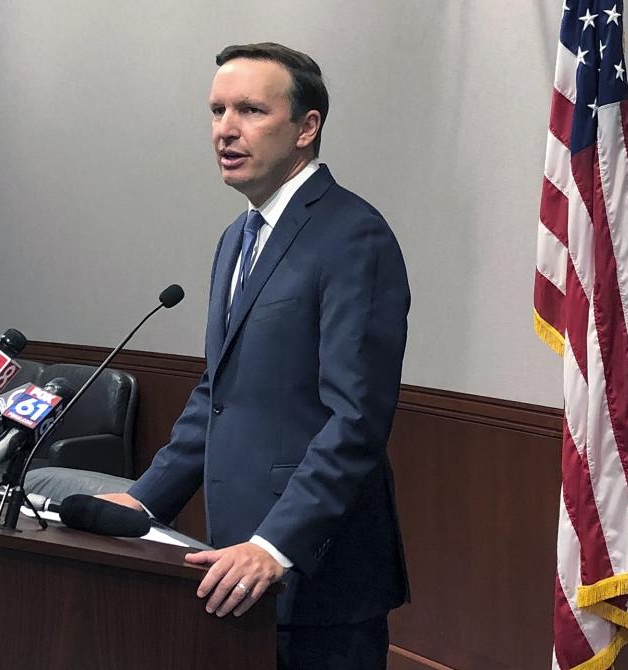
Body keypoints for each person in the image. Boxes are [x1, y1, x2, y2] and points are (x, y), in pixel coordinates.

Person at [99, 42, 410, 669]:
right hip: (232, 561)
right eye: (216, 111)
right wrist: (143, 499)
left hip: (315, 570)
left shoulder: (354, 236)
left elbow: (356, 420)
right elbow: (220, 393)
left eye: (250, 110)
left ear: (307, 127)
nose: (225, 130)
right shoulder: (237, 237)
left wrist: (275, 543)